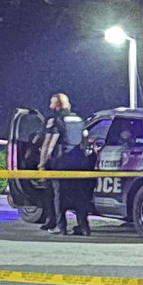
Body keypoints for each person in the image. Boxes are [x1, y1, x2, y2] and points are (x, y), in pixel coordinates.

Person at [39, 92, 91, 236]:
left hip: (61, 163)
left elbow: (49, 145)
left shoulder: (56, 120)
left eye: (52, 102)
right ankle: (84, 227)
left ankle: (61, 227)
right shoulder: (79, 119)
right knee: (79, 196)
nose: (50, 105)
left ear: (57, 105)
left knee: (59, 196)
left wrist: (42, 163)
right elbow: (85, 139)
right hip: (79, 163)